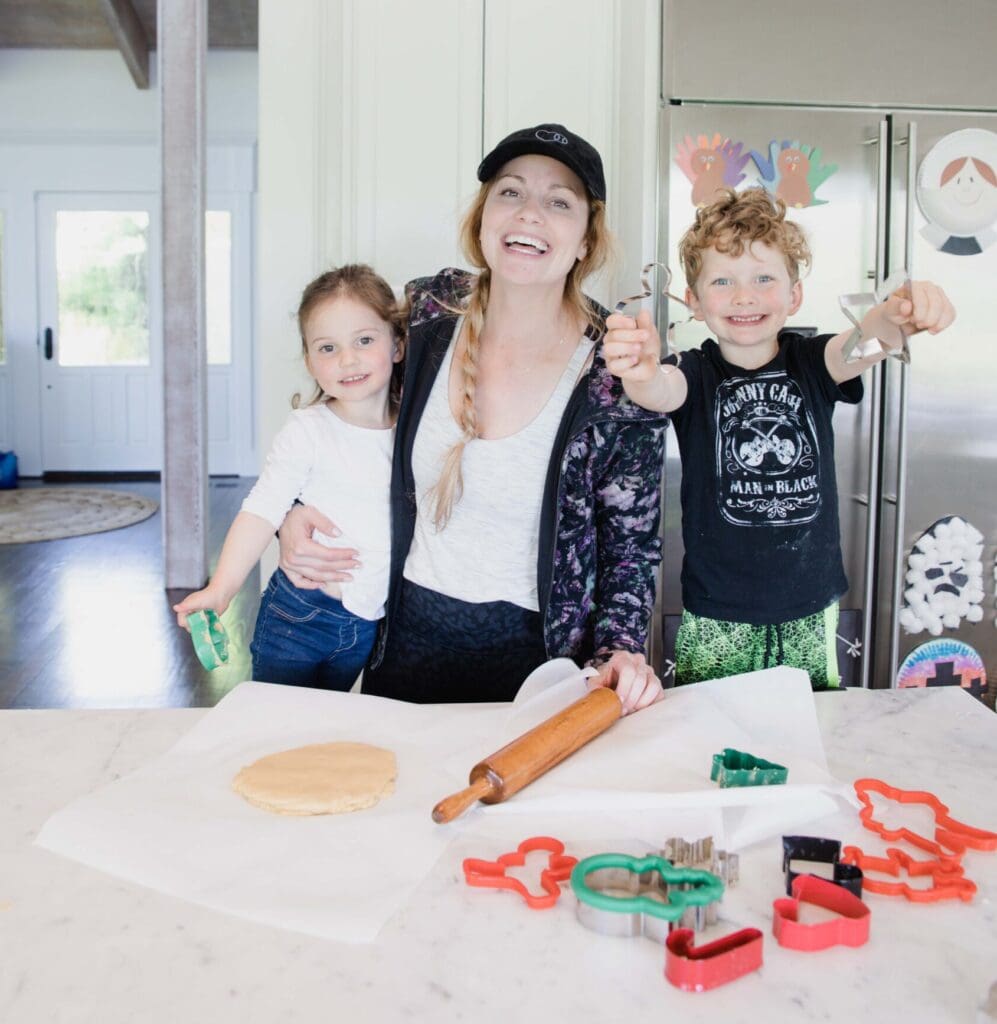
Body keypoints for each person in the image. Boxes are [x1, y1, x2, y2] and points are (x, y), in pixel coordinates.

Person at [277, 123, 667, 712]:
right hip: (404, 642)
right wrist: (292, 513)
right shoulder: (428, 313)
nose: (530, 213)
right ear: (483, 218)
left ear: (586, 239)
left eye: (559, 201)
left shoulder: (616, 369)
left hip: (541, 666)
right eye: (510, 192)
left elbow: (630, 546)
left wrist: (619, 649)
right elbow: (345, 410)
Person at [604, 187, 956, 689]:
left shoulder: (812, 361)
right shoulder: (694, 372)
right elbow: (659, 390)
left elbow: (868, 342)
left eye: (763, 278)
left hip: (811, 610)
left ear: (794, 295)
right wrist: (638, 372)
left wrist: (900, 313)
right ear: (695, 302)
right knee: (712, 744)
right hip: (717, 614)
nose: (744, 296)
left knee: (806, 739)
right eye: (723, 280)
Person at [173, 264, 405, 690]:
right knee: (275, 727)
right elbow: (262, 509)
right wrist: (222, 589)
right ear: (309, 360)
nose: (347, 359)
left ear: (397, 345)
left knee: (324, 730)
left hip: (368, 621)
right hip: (300, 616)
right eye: (328, 348)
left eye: (365, 340)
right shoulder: (308, 430)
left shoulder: (412, 429)